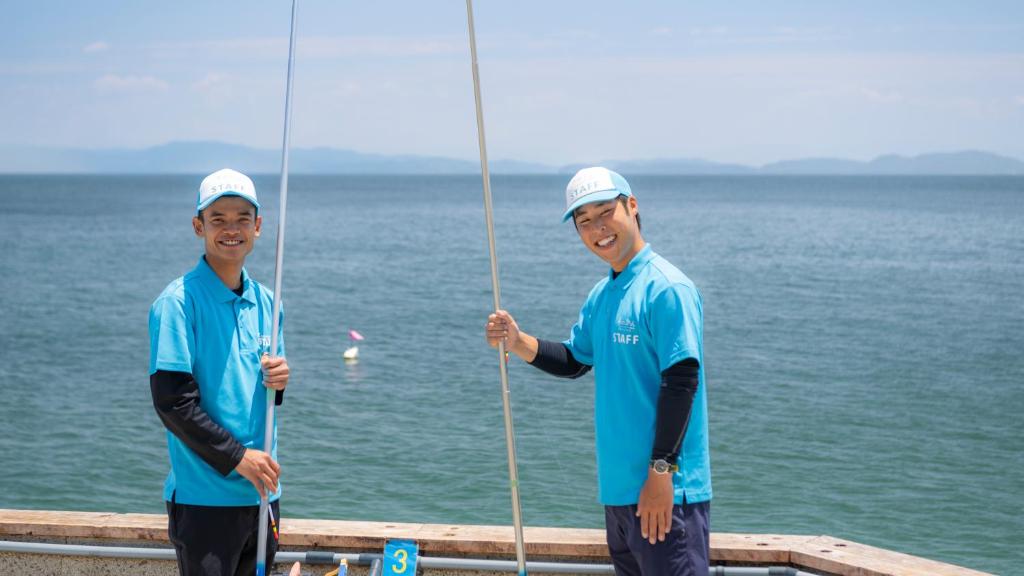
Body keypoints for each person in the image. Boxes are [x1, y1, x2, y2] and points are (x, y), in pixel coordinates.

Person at [485, 167, 712, 576]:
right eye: (583, 221)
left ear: (632, 206)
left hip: (665, 494)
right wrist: (517, 341)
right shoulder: (602, 294)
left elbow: (682, 382)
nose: (597, 228)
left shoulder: (667, 288)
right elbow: (575, 361)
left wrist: (661, 474)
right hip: (620, 493)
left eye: (605, 212)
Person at [149, 168, 290, 576]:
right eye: (218, 219)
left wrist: (279, 382)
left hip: (263, 494)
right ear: (199, 226)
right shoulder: (177, 303)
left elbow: (263, 391)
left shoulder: (270, 301)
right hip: (204, 501)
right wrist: (238, 457)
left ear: (258, 226)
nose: (232, 229)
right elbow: (173, 403)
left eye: (242, 218)